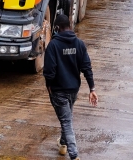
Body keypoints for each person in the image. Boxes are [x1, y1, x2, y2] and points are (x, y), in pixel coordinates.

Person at [43, 11, 97, 158]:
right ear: (70, 26)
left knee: (66, 121)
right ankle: (63, 144)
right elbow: (86, 67)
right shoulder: (79, 44)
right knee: (66, 117)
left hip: (58, 91)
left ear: (58, 28)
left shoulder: (53, 46)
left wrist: (49, 87)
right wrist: (92, 88)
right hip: (73, 90)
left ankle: (74, 155)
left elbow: (49, 72)